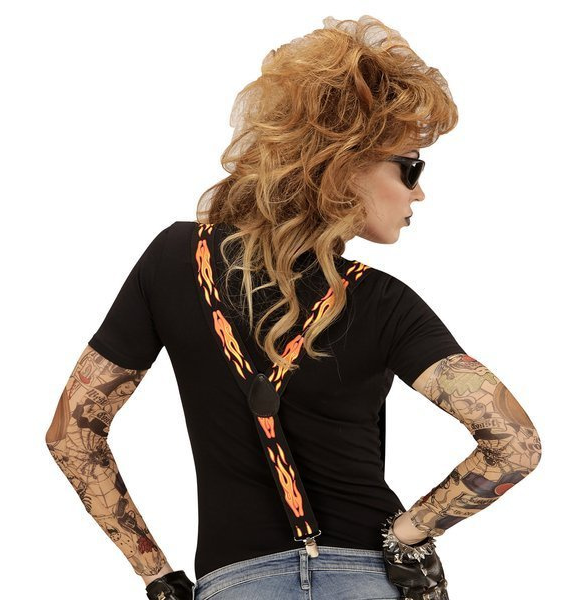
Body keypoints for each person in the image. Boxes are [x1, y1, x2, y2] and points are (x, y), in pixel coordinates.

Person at [45, 15, 542, 600]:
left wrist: (157, 575)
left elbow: (72, 434)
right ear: (345, 164)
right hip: (369, 582)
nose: (419, 191)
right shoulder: (384, 302)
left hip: (238, 584)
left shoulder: (175, 260)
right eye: (410, 166)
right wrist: (408, 536)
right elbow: (515, 442)